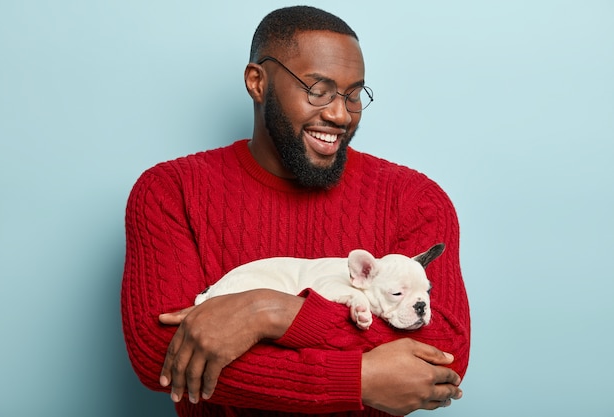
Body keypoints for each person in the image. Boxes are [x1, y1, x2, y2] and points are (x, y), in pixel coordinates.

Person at [121, 5, 470, 417]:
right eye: (317, 89)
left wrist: (267, 312)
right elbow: (161, 355)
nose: (340, 114)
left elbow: (444, 355)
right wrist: (361, 379)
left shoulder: (415, 199)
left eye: (354, 94)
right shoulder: (170, 191)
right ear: (257, 83)